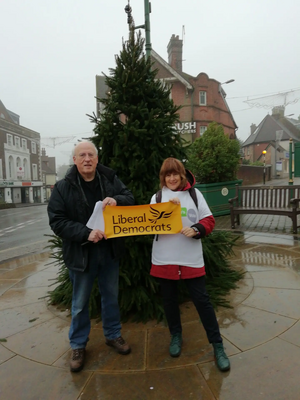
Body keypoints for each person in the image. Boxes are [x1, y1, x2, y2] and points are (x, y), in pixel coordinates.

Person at [47, 141, 134, 373]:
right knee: (79, 304)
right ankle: (77, 345)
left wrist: (118, 200)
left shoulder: (110, 179)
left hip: (109, 252)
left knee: (111, 297)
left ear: (97, 159)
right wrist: (86, 233)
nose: (87, 159)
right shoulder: (63, 187)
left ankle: (113, 335)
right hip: (81, 255)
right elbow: (57, 221)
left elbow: (129, 197)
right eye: (82, 155)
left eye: (91, 155)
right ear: (74, 160)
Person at [150, 157, 230, 372]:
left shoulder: (195, 194)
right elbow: (148, 224)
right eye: (168, 174)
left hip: (190, 259)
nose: (172, 178)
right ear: (163, 177)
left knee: (202, 302)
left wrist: (196, 229)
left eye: (175, 173)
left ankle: (218, 345)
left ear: (182, 174)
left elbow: (209, 220)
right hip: (165, 258)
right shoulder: (157, 197)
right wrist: (166, 209)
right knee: (169, 300)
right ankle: (176, 335)